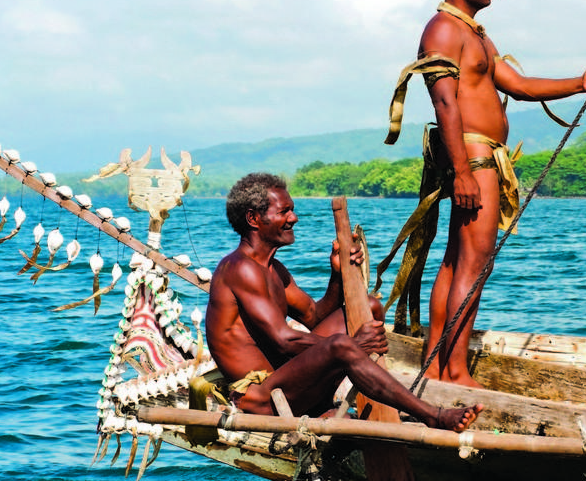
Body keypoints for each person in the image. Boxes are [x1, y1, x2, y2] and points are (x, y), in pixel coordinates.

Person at [391, 0, 586, 387]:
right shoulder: (442, 31)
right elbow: (446, 106)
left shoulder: (476, 34)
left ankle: (436, 367)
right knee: (473, 265)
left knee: (459, 263)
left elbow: (519, 84)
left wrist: (580, 82)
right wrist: (461, 172)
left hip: (479, 158)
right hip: (472, 159)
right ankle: (453, 371)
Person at [204, 172, 483, 431]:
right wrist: (354, 346)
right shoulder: (240, 268)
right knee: (341, 345)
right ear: (253, 219)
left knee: (370, 307)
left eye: (293, 209)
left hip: (287, 386)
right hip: (261, 401)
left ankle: (328, 403)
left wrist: (337, 274)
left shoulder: (273, 269)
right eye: (284, 211)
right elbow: (284, 340)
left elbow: (314, 316)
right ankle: (432, 416)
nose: (294, 218)